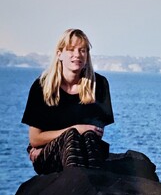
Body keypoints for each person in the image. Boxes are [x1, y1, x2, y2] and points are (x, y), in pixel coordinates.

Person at [22, 28, 114, 175]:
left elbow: (96, 133)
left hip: (88, 150)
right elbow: (35, 139)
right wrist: (75, 128)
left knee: (87, 137)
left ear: (87, 55)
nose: (77, 55)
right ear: (59, 54)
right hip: (49, 154)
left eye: (82, 50)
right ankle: (75, 186)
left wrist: (80, 131)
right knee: (71, 135)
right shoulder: (42, 86)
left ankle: (91, 185)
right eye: (71, 50)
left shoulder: (99, 84)